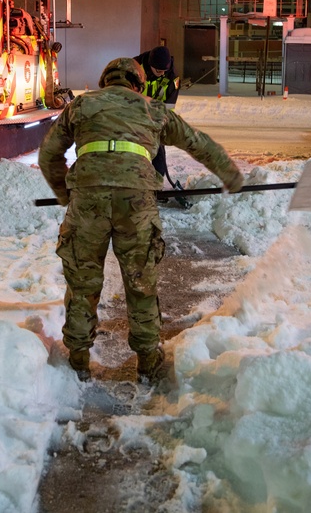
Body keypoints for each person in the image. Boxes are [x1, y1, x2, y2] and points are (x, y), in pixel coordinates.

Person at [38, 57, 243, 383]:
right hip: (136, 203)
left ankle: (78, 358)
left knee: (82, 284)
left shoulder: (81, 105)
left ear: (105, 80)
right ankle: (148, 360)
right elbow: (198, 143)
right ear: (138, 84)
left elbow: (49, 154)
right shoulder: (154, 109)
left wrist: (66, 194)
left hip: (87, 201)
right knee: (141, 284)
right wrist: (230, 175)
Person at [134, 46, 179, 179]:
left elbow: (168, 107)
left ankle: (156, 186)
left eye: (165, 70)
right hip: (131, 118)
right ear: (150, 65)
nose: (162, 74)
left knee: (158, 155)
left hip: (154, 119)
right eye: (159, 70)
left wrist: (161, 124)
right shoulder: (133, 70)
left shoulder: (172, 78)